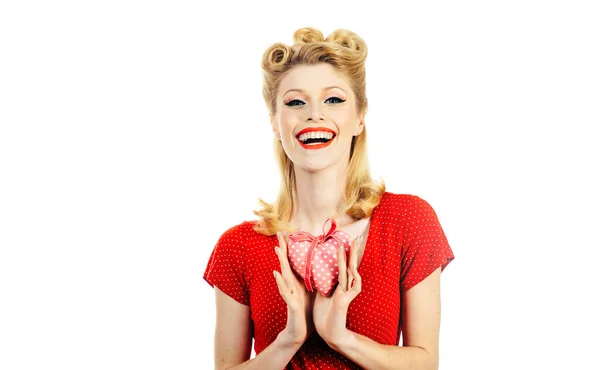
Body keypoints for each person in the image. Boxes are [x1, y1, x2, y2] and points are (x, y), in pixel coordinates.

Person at [203, 27, 455, 369]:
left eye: (333, 99)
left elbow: (426, 363)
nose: (314, 114)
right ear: (275, 123)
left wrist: (342, 337)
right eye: (295, 102)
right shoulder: (238, 247)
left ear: (359, 118)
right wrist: (288, 341)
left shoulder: (408, 220)